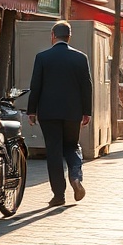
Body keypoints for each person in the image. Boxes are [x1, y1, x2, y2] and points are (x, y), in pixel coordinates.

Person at [26, 20, 92, 206]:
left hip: (48, 113)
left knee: (54, 152)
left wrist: (32, 111)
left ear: (53, 36)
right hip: (73, 112)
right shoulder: (80, 58)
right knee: (71, 146)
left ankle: (58, 195)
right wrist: (86, 111)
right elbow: (87, 86)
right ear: (69, 37)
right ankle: (76, 177)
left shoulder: (42, 57)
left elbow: (35, 86)